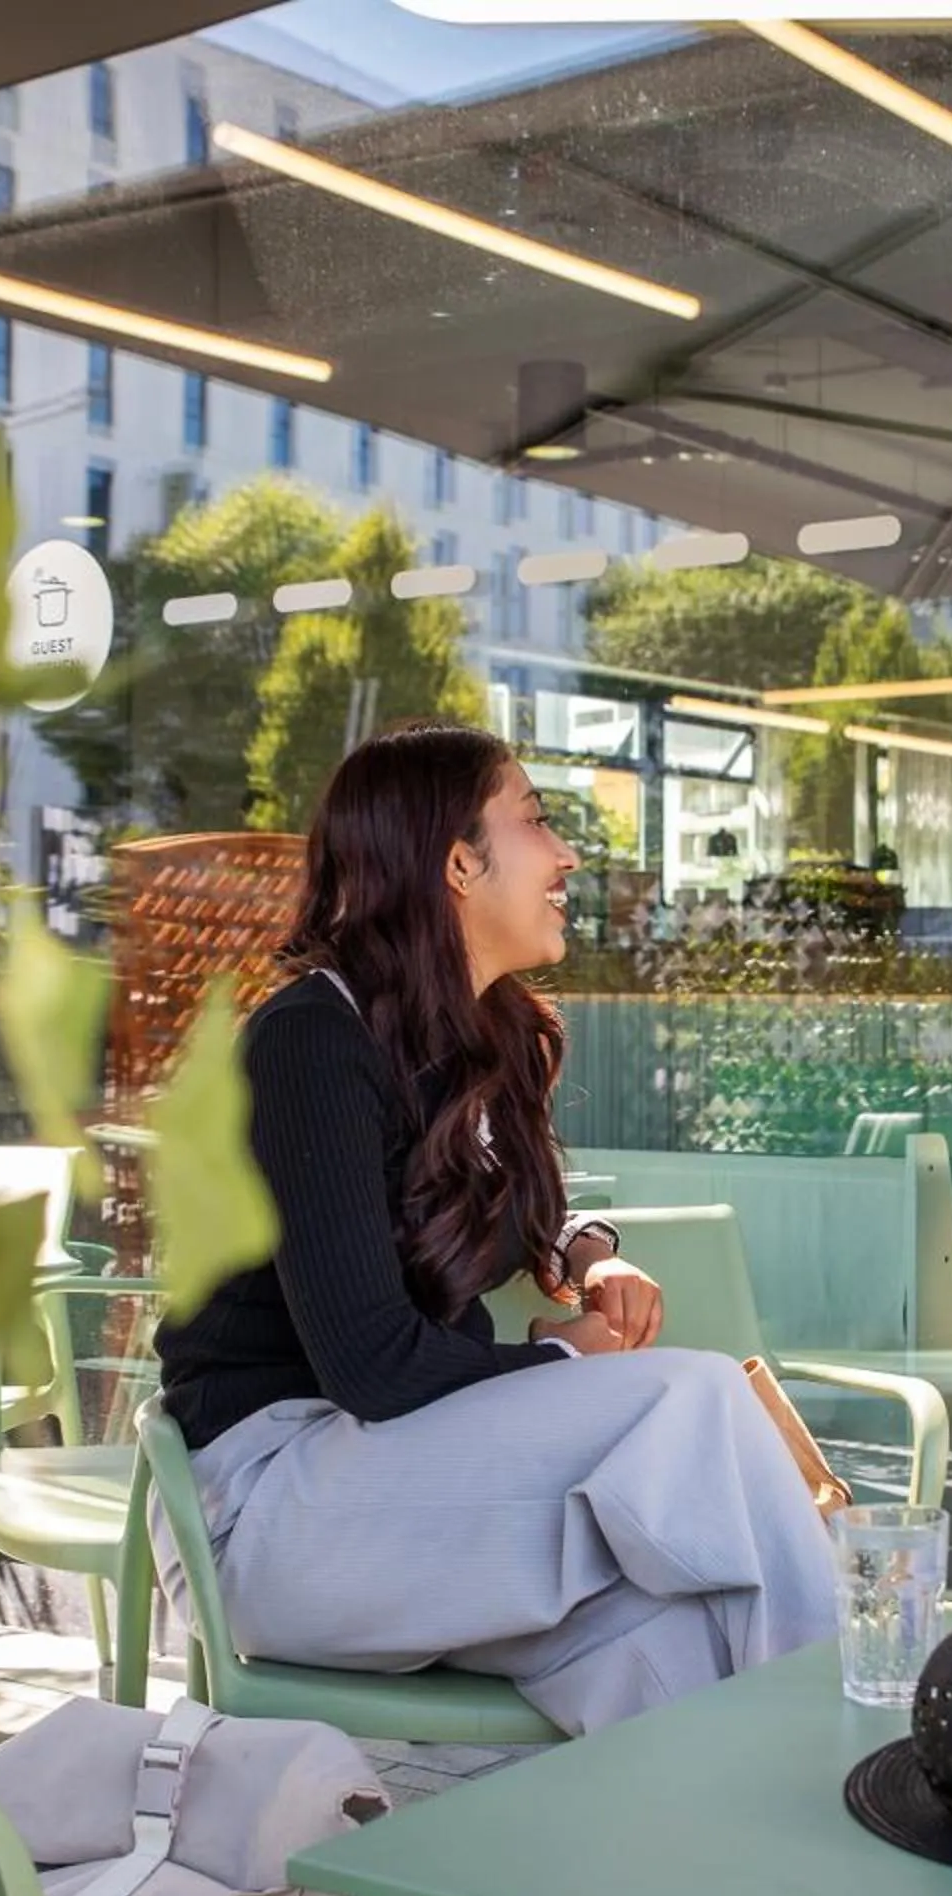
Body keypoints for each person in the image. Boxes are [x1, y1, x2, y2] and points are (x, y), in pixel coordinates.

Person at [151, 724, 838, 1736]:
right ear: (458, 861)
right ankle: (867, 1729)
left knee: (682, 1638)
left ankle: (712, 1877)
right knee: (689, 1396)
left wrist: (590, 1254)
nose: (566, 856)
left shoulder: (475, 1036)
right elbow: (371, 1367)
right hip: (269, 1512)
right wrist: (555, 1355)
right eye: (538, 821)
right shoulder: (309, 1045)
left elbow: (531, 1210)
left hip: (406, 1490)